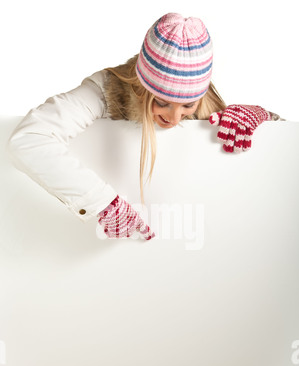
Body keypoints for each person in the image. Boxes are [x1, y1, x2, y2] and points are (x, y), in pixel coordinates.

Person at [7, 12, 281, 241]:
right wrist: (102, 202)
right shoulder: (104, 90)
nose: (174, 118)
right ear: (142, 88)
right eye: (162, 102)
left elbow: (285, 145)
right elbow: (31, 137)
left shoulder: (208, 102)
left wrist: (261, 116)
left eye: (187, 106)